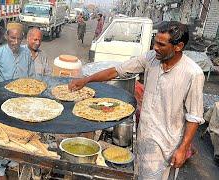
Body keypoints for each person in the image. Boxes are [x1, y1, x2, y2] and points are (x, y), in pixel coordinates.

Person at [69, 21, 205, 179]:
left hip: (166, 145)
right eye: (155, 42)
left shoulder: (192, 73)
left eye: (161, 44)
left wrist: (183, 149)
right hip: (144, 135)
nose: (155, 47)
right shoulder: (151, 58)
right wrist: (86, 80)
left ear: (178, 46)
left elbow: (194, 117)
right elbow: (117, 71)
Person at [0, 22, 33, 180]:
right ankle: (0, 171)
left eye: (18, 38)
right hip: (1, 103)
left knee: (18, 136)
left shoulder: (27, 54)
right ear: (6, 36)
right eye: (12, 38)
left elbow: (31, 78)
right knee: (2, 138)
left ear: (23, 39)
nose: (15, 42)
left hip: (20, 105)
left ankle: (14, 162)